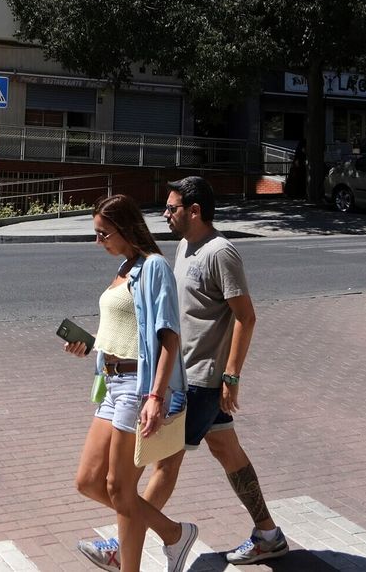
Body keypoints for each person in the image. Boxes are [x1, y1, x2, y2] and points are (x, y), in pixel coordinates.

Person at [92, 176, 288, 566]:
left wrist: (230, 376)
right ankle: (268, 533)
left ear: (194, 211)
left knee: (163, 463)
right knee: (227, 450)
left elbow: (245, 318)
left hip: (199, 379)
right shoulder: (184, 247)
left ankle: (126, 543)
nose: (164, 214)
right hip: (187, 374)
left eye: (172, 208)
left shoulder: (221, 253)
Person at [68, 195, 198, 572]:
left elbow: (168, 337)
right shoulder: (124, 267)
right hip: (110, 383)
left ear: (125, 228)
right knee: (89, 481)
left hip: (136, 387)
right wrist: (88, 346)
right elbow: (124, 331)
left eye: (103, 233)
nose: (98, 242)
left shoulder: (153, 266)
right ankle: (174, 533)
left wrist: (156, 395)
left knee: (119, 488)